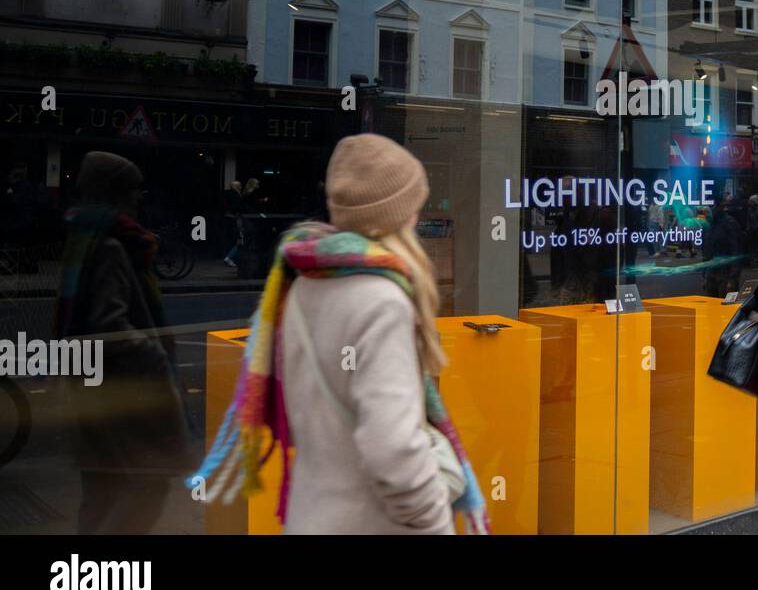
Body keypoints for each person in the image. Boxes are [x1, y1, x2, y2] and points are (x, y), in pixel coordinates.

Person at [190, 134, 488, 533]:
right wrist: (435, 522)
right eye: (413, 206)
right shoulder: (382, 301)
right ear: (395, 215)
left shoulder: (301, 283)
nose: (418, 217)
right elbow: (393, 449)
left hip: (312, 516)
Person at [54, 151, 193, 533]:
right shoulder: (114, 246)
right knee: (148, 486)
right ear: (114, 193)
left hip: (88, 389)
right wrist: (156, 357)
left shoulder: (82, 238)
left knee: (101, 490)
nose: (139, 198)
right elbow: (108, 324)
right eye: (133, 190)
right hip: (122, 395)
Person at [222, 179, 244, 268]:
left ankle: (230, 257)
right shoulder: (236, 196)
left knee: (236, 240)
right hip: (236, 220)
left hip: (229, 220)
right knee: (240, 240)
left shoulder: (226, 195)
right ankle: (229, 257)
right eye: (239, 186)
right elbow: (239, 207)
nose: (240, 187)